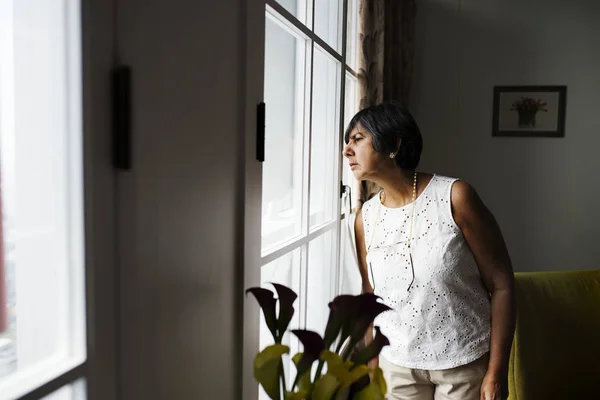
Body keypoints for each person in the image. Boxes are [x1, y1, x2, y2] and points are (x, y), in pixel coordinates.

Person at [343, 102, 516, 400]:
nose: (347, 150)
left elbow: (502, 285)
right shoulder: (364, 218)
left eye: (357, 139)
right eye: (347, 142)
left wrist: (497, 371)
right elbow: (369, 295)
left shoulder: (455, 197)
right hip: (395, 367)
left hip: (463, 362)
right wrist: (372, 365)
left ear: (394, 144)